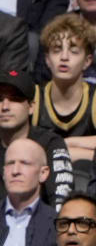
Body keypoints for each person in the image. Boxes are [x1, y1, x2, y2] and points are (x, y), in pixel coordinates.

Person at [35, 13, 96, 164]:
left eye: (74, 51)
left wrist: (65, 144)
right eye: (56, 50)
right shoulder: (34, 97)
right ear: (47, 59)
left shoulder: (94, 98)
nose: (64, 57)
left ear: (87, 61)